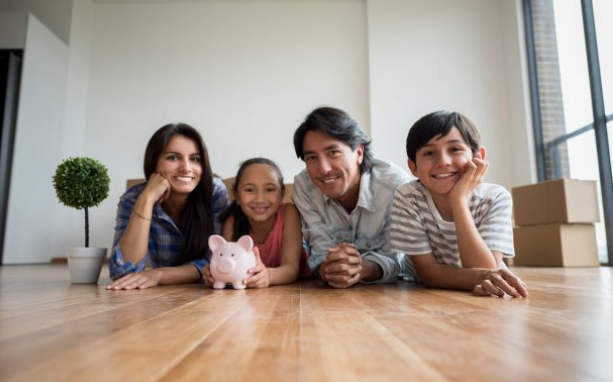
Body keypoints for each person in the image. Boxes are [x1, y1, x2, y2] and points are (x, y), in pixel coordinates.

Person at [390, 110, 528, 298]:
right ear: (413, 167)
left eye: (455, 149)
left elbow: (486, 271)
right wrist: (475, 279)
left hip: (483, 286)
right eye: (429, 153)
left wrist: (458, 200)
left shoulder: (495, 198)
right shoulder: (408, 196)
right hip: (423, 289)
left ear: (478, 156)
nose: (443, 162)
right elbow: (428, 273)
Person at [292, 106, 412, 289]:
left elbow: (398, 259)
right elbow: (320, 249)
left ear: (359, 152)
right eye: (311, 158)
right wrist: (328, 267)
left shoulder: (396, 187)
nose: (323, 169)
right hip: (328, 296)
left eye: (333, 152)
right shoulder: (304, 187)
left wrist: (362, 268)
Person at [106, 123, 230, 290]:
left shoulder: (214, 192)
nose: (186, 168)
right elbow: (123, 272)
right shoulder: (134, 198)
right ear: (154, 162)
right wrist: (147, 200)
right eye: (173, 157)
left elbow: (217, 260)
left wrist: (159, 275)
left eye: (195, 159)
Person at [202, 157, 312, 288]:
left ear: (282, 194)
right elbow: (222, 259)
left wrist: (267, 276)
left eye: (269, 189)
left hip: (300, 288)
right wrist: (213, 273)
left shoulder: (289, 213)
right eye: (249, 190)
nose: (260, 199)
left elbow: (291, 270)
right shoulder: (232, 220)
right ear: (236, 195)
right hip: (249, 291)